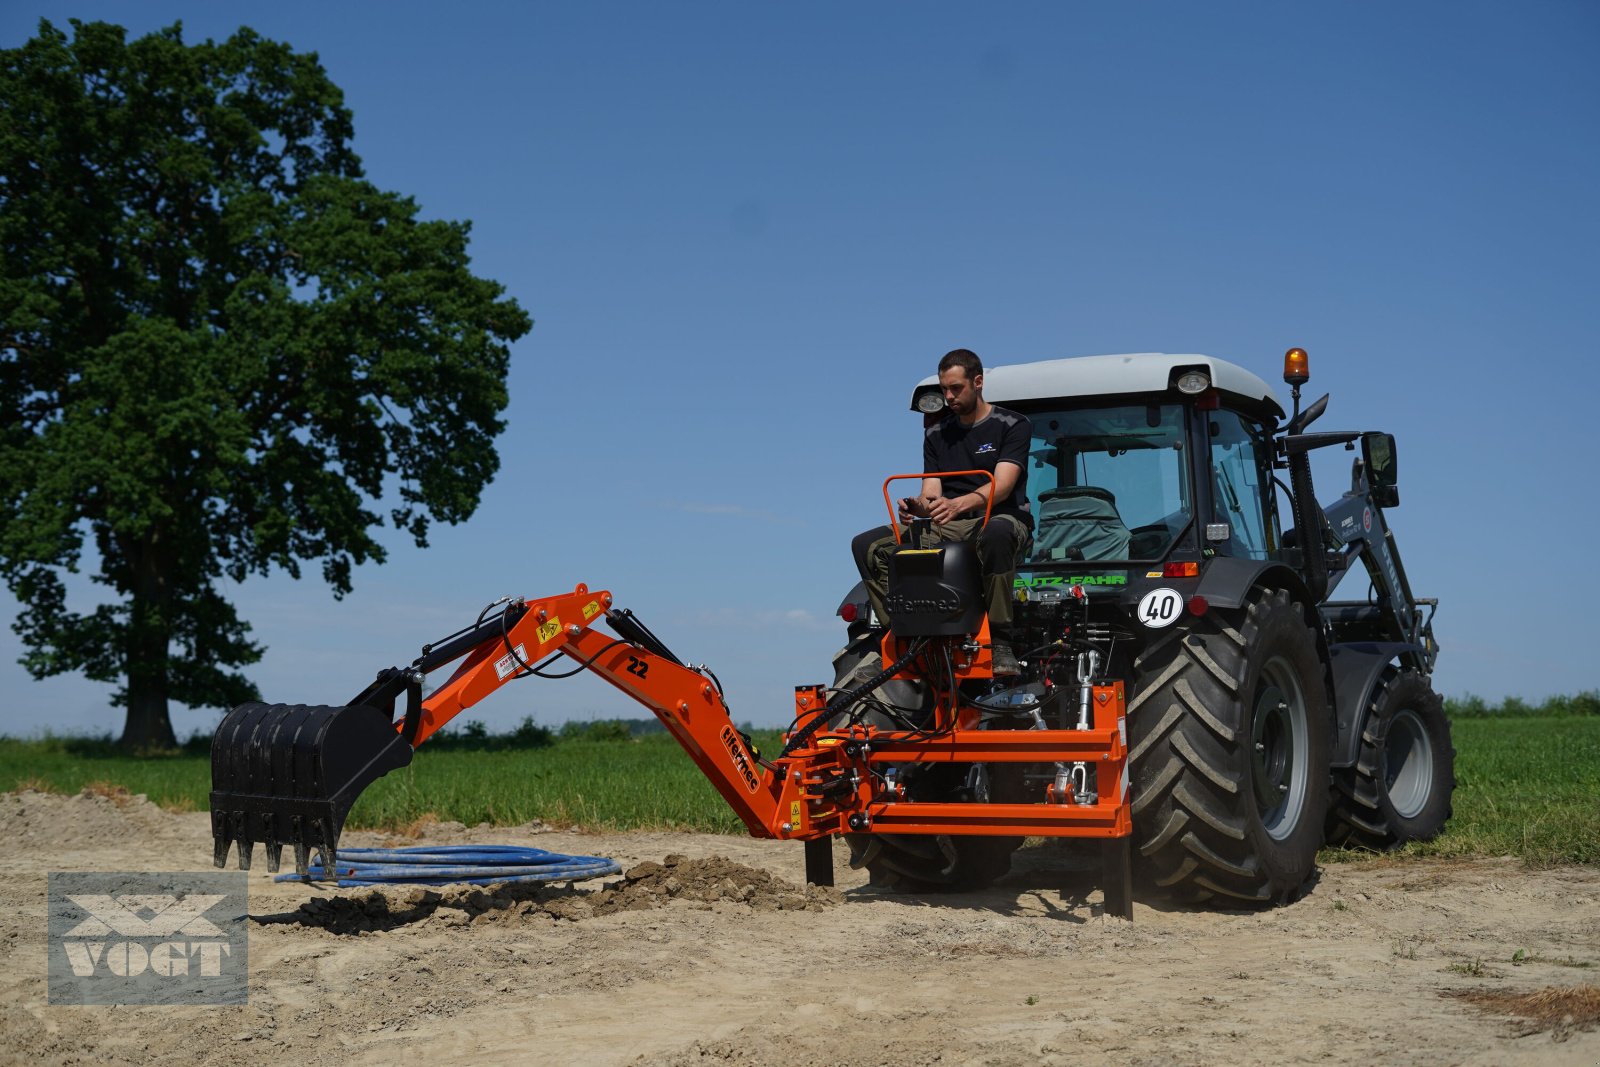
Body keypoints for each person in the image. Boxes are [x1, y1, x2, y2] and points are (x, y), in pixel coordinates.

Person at [851, 349, 1034, 675]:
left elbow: (1002, 487)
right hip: (948, 523)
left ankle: (1000, 639)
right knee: (868, 546)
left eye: (956, 388)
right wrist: (916, 507)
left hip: (998, 518)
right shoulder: (936, 434)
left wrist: (959, 504)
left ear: (977, 383)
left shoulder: (1012, 425)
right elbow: (931, 493)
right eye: (944, 389)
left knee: (997, 534)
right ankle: (898, 637)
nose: (948, 396)